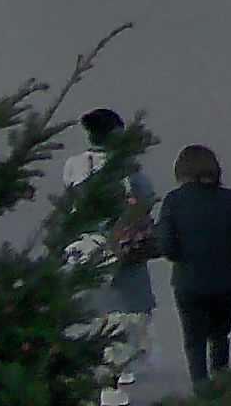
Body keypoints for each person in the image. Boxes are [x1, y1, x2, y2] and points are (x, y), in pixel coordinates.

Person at [61, 109, 158, 395]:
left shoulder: (74, 165)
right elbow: (147, 198)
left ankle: (101, 355)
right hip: (124, 244)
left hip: (87, 243)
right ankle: (122, 361)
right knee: (131, 301)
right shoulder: (127, 168)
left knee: (97, 300)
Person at [158, 142, 231, 383]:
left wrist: (179, 255)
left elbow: (166, 244)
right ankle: (221, 380)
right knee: (220, 334)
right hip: (224, 280)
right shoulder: (228, 199)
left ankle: (201, 387)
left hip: (188, 282)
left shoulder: (174, 201)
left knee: (194, 340)